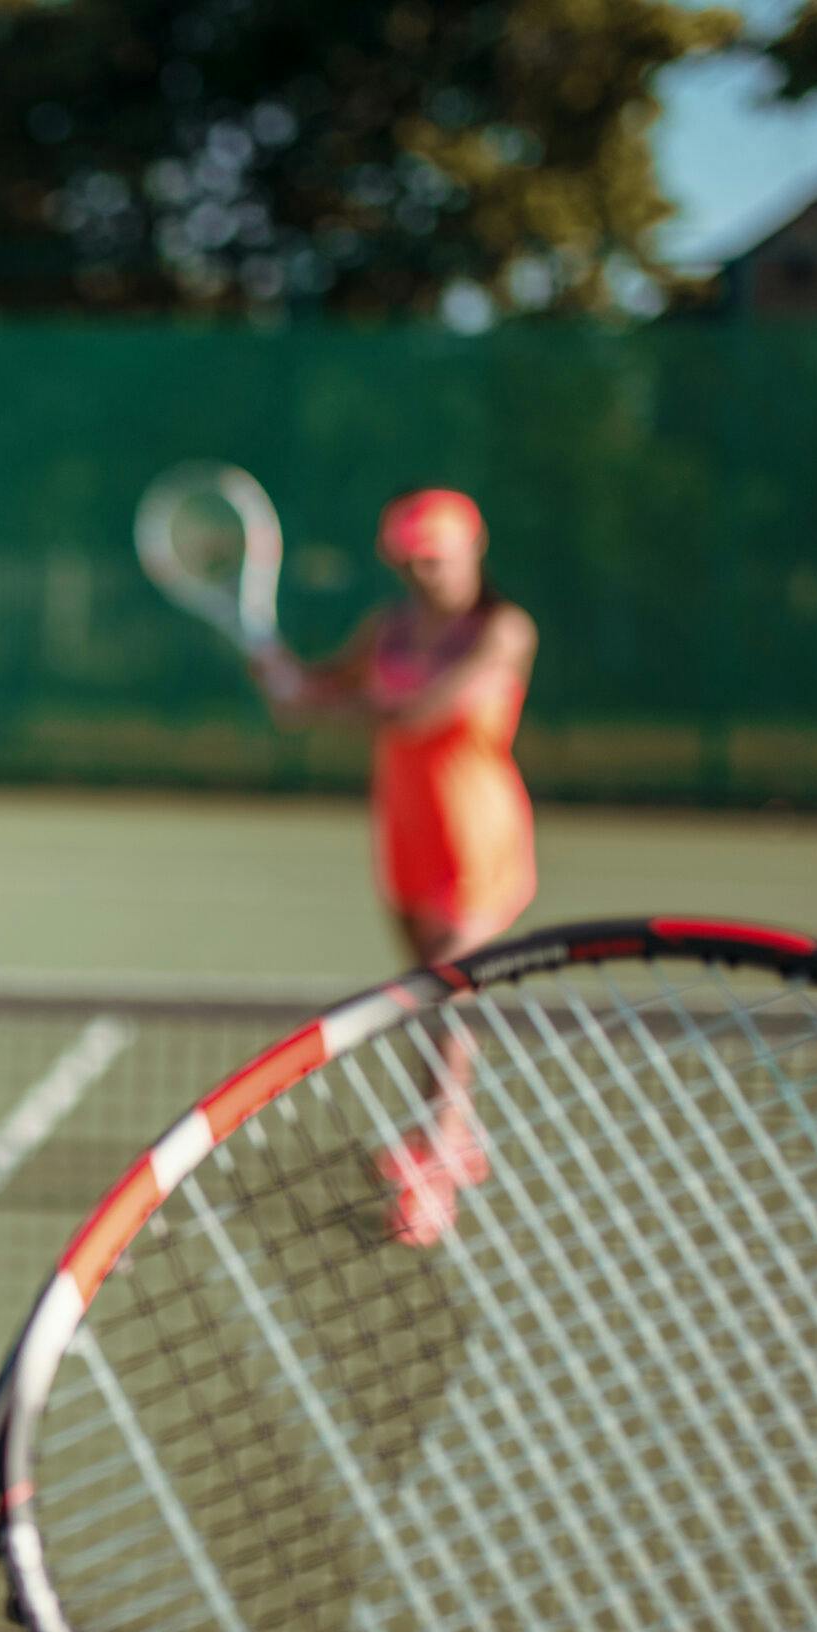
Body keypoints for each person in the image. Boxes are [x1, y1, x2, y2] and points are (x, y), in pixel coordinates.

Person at [254, 488, 536, 1244]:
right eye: (410, 562)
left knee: (447, 997)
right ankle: (457, 1133)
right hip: (406, 833)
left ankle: (435, 1166)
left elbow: (418, 712)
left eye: (435, 560)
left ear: (472, 551)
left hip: (476, 840)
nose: (423, 575)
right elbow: (324, 686)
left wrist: (315, 705)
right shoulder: (387, 629)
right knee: (430, 994)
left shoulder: (503, 631)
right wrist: (286, 680)